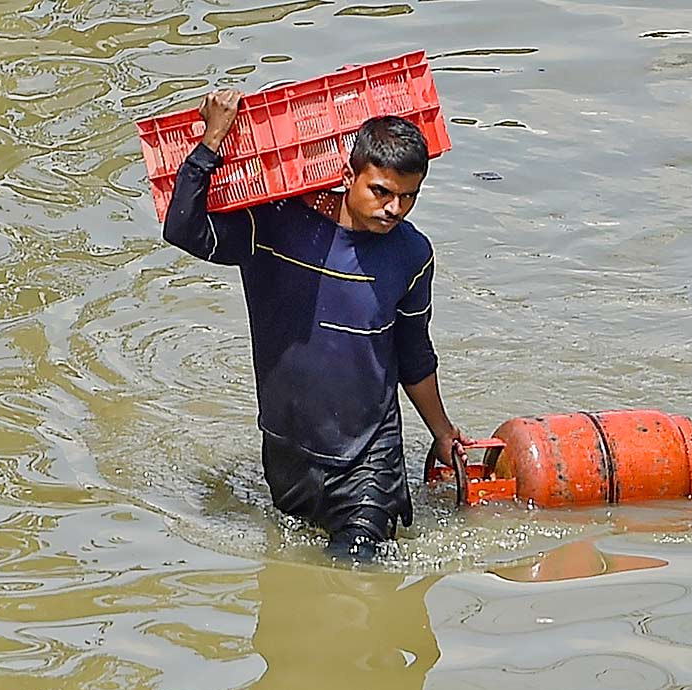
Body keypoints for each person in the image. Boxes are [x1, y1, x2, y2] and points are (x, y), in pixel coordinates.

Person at [162, 89, 468, 561]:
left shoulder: (412, 255)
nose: (395, 209)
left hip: (369, 462)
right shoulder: (275, 226)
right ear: (348, 175)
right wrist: (211, 143)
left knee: (354, 575)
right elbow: (183, 229)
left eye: (409, 197)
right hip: (288, 455)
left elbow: (414, 354)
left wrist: (443, 433)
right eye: (381, 192)